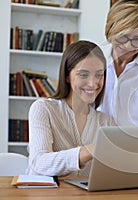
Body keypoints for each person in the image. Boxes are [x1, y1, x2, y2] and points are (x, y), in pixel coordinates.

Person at [26, 40, 115, 177]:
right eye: (84, 74)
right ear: (67, 76)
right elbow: (39, 163)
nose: (93, 84)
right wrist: (89, 150)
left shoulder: (106, 121)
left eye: (99, 75)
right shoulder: (43, 109)